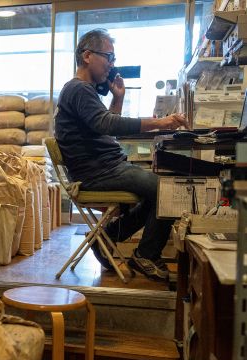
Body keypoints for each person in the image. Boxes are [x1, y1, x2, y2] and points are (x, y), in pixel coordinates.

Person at [54, 28, 189, 280]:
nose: (111, 64)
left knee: (157, 194)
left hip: (105, 168)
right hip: (99, 172)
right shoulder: (79, 89)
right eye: (108, 57)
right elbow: (107, 124)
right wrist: (160, 122)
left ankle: (105, 239)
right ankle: (146, 255)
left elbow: (103, 126)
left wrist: (118, 98)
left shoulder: (83, 90)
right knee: (168, 191)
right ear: (87, 56)